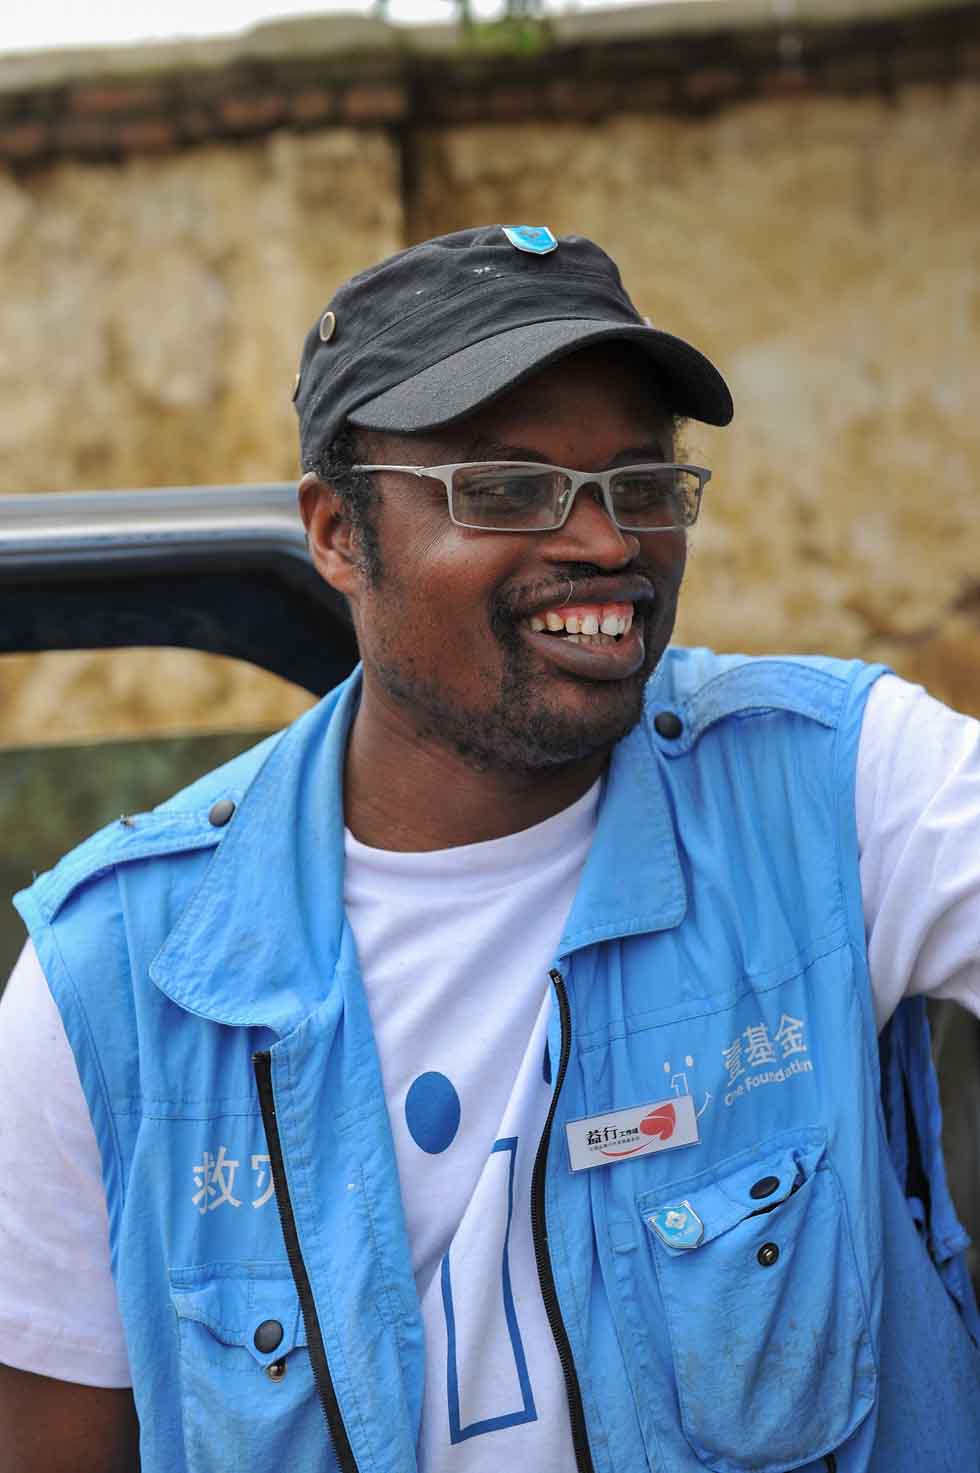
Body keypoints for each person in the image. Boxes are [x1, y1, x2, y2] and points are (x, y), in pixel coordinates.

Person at [1, 224, 978, 1473]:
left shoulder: (836, 794)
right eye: (505, 489)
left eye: (639, 483)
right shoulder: (115, 988)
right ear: (338, 534)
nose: (608, 545)